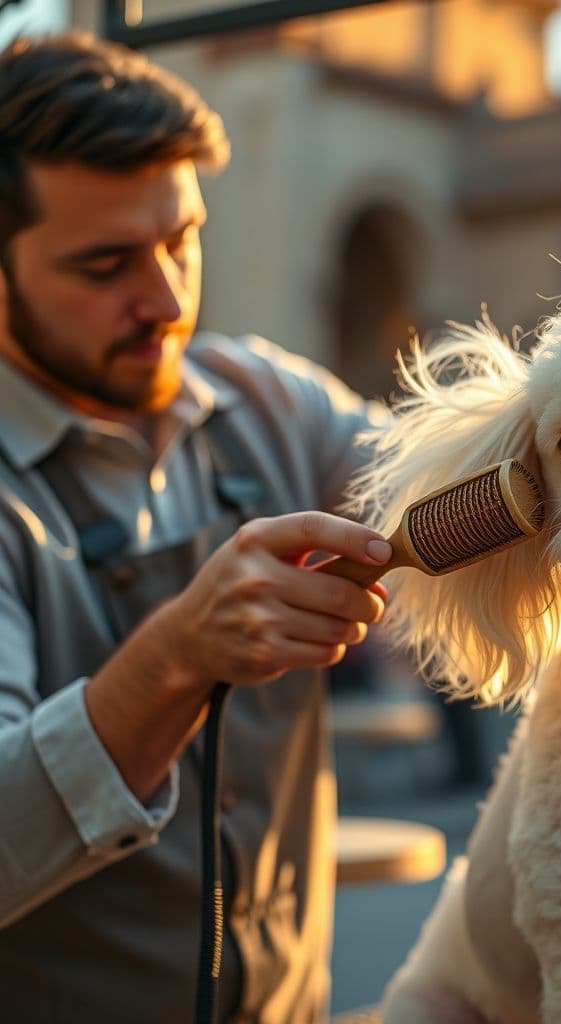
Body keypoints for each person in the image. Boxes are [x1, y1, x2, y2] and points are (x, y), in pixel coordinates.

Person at [0, 31, 395, 1022]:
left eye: (182, 238)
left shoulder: (266, 400)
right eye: (106, 265)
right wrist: (175, 655)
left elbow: (444, 485)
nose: (168, 299)